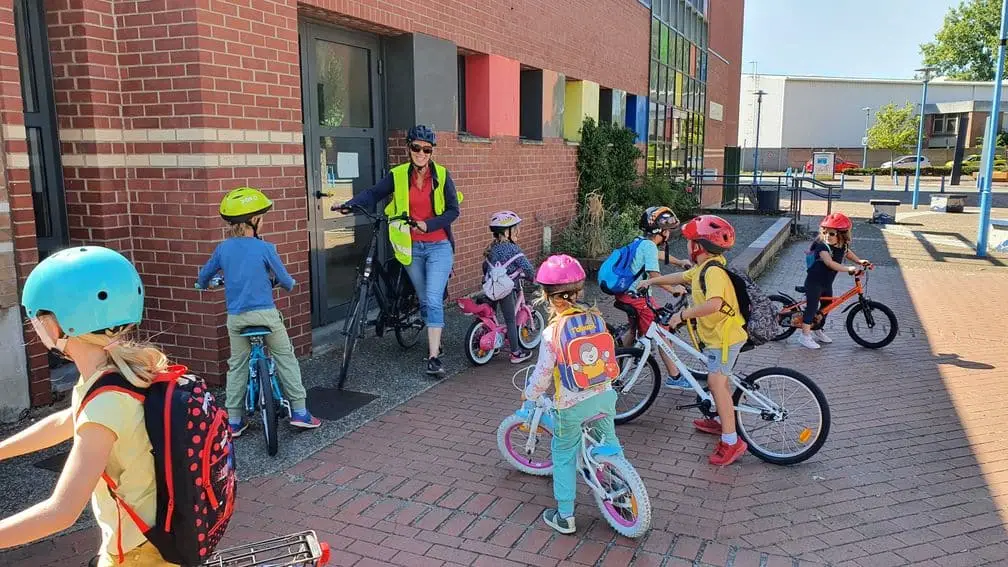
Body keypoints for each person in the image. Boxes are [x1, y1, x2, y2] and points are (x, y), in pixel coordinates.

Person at [0, 246, 176, 565]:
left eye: (37, 319)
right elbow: (68, 421)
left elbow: (61, 512)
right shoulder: (117, 373)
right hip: (154, 539)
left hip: (139, 556)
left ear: (55, 325)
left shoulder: (106, 399)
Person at [338, 125, 461, 377]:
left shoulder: (442, 175)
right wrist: (350, 205)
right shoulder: (398, 175)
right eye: (416, 147)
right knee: (424, 298)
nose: (421, 153)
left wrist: (429, 224)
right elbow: (374, 193)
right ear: (409, 148)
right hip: (411, 247)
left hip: (439, 246)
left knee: (433, 297)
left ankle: (434, 356)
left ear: (431, 152)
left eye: (427, 149)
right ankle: (434, 334)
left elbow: (453, 211)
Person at [196, 186, 320, 435]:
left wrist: (203, 284)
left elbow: (203, 276)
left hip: (237, 318)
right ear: (254, 221)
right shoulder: (265, 248)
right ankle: (299, 411)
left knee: (237, 366)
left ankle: (234, 420)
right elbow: (285, 279)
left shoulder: (223, 249)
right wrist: (286, 284)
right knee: (285, 357)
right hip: (265, 314)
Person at [637, 215, 749, 466]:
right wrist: (652, 280)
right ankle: (721, 419)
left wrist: (681, 315)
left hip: (725, 338)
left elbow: (715, 304)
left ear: (698, 246)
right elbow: (681, 277)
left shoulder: (714, 273)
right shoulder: (704, 268)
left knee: (716, 382)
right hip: (718, 338)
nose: (687, 245)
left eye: (690, 241)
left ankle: (732, 441)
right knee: (719, 382)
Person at [523, 254, 622, 534]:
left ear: (546, 295)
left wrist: (530, 395)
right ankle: (620, 484)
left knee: (564, 454)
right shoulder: (597, 319)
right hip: (604, 395)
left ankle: (565, 515)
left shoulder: (552, 332)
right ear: (580, 291)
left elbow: (543, 374)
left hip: (571, 404)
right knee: (609, 440)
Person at [612, 205, 693, 387]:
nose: (669, 234)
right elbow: (655, 276)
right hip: (639, 298)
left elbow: (658, 254)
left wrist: (679, 262)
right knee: (661, 334)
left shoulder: (641, 241)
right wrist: (673, 289)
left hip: (626, 295)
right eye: (668, 230)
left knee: (633, 330)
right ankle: (675, 377)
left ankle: (619, 362)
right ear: (661, 231)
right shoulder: (648, 247)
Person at [799, 212, 871, 350]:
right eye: (825, 232)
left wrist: (859, 261)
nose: (827, 236)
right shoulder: (822, 247)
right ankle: (804, 336)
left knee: (827, 306)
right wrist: (848, 268)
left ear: (841, 235)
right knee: (812, 307)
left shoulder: (841, 245)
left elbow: (847, 253)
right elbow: (830, 263)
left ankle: (817, 328)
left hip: (826, 283)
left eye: (832, 234)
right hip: (814, 282)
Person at [483, 210, 536, 363]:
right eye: (515, 229)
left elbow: (484, 267)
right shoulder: (513, 249)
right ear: (507, 232)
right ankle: (515, 353)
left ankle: (493, 342)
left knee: (491, 314)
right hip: (504, 290)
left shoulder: (492, 249)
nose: (518, 231)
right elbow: (528, 268)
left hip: (490, 286)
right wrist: (532, 278)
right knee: (510, 320)